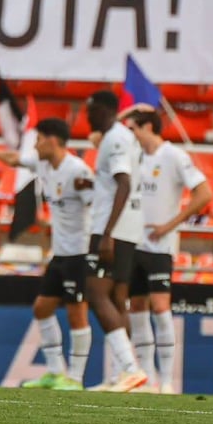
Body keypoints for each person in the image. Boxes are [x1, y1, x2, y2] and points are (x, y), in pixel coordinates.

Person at [0, 118, 93, 391]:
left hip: (80, 252)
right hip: (60, 253)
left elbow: (97, 204)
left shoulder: (78, 171)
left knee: (77, 312)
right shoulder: (42, 162)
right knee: (42, 308)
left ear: (52, 140)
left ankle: (75, 379)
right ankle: (55, 373)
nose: (36, 145)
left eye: (39, 139)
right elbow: (16, 159)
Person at [123, 108, 213, 394]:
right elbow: (98, 134)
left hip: (159, 247)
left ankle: (167, 380)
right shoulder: (134, 156)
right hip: (132, 242)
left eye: (134, 128)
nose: (131, 135)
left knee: (161, 307)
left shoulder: (174, 156)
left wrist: (169, 225)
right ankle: (146, 377)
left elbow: (205, 193)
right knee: (137, 307)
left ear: (148, 126)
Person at [81, 90, 148, 392]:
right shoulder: (119, 136)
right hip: (128, 228)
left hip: (113, 229)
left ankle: (131, 369)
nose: (87, 115)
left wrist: (106, 233)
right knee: (118, 298)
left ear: (106, 109)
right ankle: (126, 374)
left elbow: (124, 182)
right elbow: (116, 181)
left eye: (90, 109)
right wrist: (93, 183)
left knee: (94, 291)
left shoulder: (115, 138)